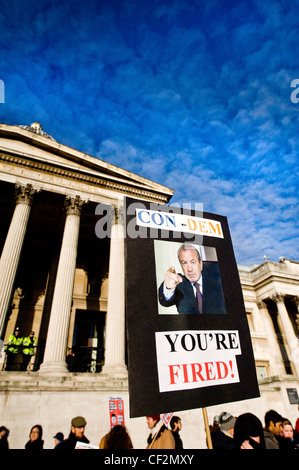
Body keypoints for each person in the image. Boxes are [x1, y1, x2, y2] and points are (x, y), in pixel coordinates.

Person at [158, 244, 226, 315]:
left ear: (201, 264)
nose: (189, 269)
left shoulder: (218, 279)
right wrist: (169, 288)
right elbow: (165, 301)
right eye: (184, 263)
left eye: (193, 262)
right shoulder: (179, 284)